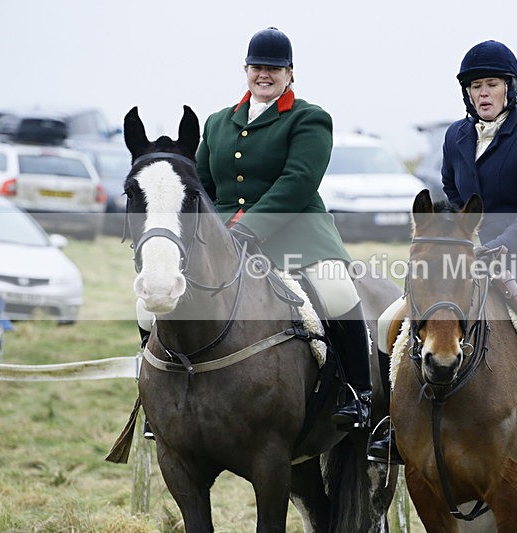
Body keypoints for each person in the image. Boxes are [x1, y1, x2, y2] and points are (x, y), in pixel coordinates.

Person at [368, 40, 517, 462]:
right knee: (389, 320)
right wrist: (458, 240)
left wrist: (502, 246)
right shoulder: (456, 136)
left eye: (491, 84)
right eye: (475, 87)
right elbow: (453, 193)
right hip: (464, 259)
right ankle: (385, 423)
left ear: (510, 88)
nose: (483, 93)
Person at [142, 27, 372, 433]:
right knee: (149, 302)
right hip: (222, 237)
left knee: (339, 291)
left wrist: (248, 228)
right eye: (257, 67)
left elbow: (298, 181)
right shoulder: (217, 123)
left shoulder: (310, 119)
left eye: (274, 69)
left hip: (298, 231)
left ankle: (358, 394)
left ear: (290, 74)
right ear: (246, 70)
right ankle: (155, 395)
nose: (264, 75)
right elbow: (203, 186)